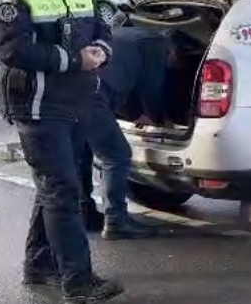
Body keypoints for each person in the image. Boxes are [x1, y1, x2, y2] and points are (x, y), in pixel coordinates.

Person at [0, 0, 123, 304]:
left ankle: (39, 263)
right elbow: (14, 50)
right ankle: (77, 282)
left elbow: (102, 28)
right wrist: (75, 60)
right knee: (62, 190)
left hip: (73, 104)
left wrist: (101, 50)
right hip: (36, 105)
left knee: (55, 187)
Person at [77, 26, 188, 240]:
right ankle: (116, 220)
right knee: (116, 155)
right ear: (175, 51)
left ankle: (84, 213)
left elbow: (123, 79)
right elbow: (151, 88)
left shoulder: (127, 34)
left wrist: (135, 114)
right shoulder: (156, 45)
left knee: (83, 151)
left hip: (71, 93)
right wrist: (158, 119)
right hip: (93, 97)